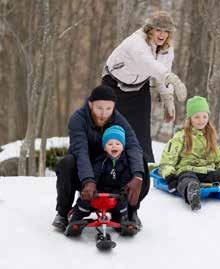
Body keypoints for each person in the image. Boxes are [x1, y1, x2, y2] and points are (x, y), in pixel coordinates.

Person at [52, 85, 149, 232]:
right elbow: (81, 152)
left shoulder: (118, 119)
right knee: (66, 162)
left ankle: (131, 210)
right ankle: (63, 212)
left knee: (140, 161)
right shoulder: (78, 119)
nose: (104, 113)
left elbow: (133, 146)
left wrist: (137, 176)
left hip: (112, 173)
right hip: (86, 174)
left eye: (109, 109)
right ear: (90, 104)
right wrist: (88, 180)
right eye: (99, 108)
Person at [102, 10, 187, 163]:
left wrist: (168, 100)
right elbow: (149, 64)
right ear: (150, 30)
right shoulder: (136, 42)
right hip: (113, 85)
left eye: (166, 31)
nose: (162, 35)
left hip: (139, 87)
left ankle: (144, 165)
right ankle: (106, 164)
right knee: (112, 129)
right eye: (158, 30)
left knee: (141, 131)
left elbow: (162, 74)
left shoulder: (167, 49)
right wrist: (171, 77)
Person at [64, 125, 138, 236]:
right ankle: (75, 220)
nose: (114, 146)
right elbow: (94, 177)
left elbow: (125, 180)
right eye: (110, 144)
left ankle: (122, 221)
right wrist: (92, 189)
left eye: (118, 144)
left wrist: (123, 192)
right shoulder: (100, 161)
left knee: (122, 204)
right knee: (85, 202)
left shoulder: (125, 163)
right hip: (98, 193)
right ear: (104, 147)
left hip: (114, 195)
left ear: (123, 147)